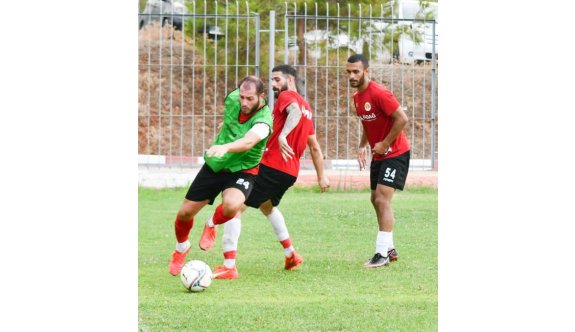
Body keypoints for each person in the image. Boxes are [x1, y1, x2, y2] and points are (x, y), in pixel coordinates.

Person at [200, 64, 330, 279]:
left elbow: (293, 112)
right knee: (266, 206)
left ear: (290, 80)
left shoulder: (288, 98)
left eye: (277, 79)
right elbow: (314, 146)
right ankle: (291, 254)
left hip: (272, 165)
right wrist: (321, 175)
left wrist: (282, 135)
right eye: (272, 80)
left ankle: (229, 265)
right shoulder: (307, 107)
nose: (273, 85)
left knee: (235, 207)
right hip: (289, 172)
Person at [168, 75, 273, 276]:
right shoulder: (232, 98)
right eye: (242, 97)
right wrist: (224, 129)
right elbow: (230, 118)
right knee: (184, 214)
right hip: (216, 164)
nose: (244, 102)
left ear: (261, 96)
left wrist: (225, 146)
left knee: (232, 206)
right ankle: (181, 248)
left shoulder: (264, 120)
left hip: (243, 168)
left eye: (250, 98)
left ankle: (211, 224)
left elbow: (248, 142)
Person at [345, 54, 411, 269]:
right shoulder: (357, 97)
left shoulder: (380, 93)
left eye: (356, 71)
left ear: (366, 71)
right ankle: (389, 247)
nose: (352, 75)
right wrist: (363, 145)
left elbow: (402, 118)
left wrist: (384, 143)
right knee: (375, 199)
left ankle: (381, 254)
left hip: (396, 153)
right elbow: (367, 123)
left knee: (382, 199)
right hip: (380, 153)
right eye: (349, 72)